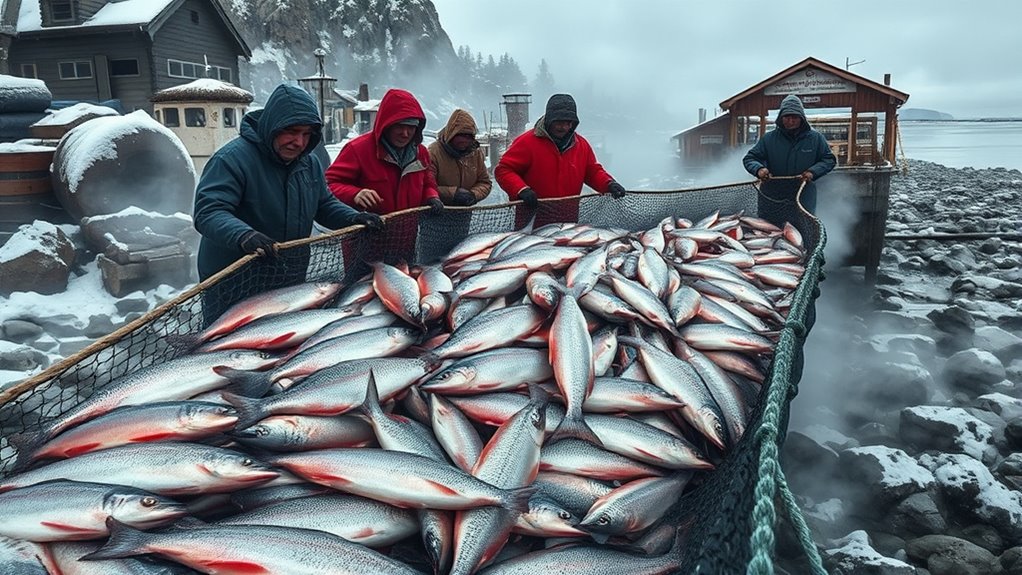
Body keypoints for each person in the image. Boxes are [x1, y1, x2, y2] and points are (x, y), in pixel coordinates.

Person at [193, 83, 382, 282]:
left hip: (288, 276)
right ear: (273, 125)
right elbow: (208, 212)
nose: (299, 142)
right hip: (234, 281)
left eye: (307, 134)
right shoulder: (231, 159)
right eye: (291, 131)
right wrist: (244, 236)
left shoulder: (309, 163)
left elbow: (324, 205)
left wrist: (353, 217)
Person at [495, 93, 626, 226]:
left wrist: (608, 184)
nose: (563, 127)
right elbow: (503, 170)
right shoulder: (527, 142)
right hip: (531, 224)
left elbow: (592, 172)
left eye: (568, 123)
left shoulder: (582, 145)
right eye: (558, 122)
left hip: (568, 225)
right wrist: (521, 190)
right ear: (549, 120)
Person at [326, 88, 443, 216]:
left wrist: (431, 196)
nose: (405, 134)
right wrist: (354, 194)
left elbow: (428, 183)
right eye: (399, 126)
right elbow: (328, 185)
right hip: (367, 233)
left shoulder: (421, 153)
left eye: (411, 127)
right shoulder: (358, 150)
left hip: (408, 232)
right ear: (386, 124)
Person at [743, 94, 836, 224]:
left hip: (803, 196)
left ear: (801, 118)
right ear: (781, 117)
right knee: (770, 231)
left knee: (802, 232)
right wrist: (759, 169)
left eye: (794, 117)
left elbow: (829, 159)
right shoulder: (769, 139)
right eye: (787, 117)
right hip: (771, 198)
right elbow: (750, 158)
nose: (790, 121)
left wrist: (812, 172)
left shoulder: (816, 139)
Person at [427, 109, 492, 207]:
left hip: (464, 212)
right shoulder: (434, 152)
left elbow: (485, 182)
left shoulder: (475, 153)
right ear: (451, 134)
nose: (465, 140)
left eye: (469, 136)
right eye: (461, 135)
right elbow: (426, 187)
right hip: (438, 211)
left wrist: (473, 195)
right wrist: (453, 194)